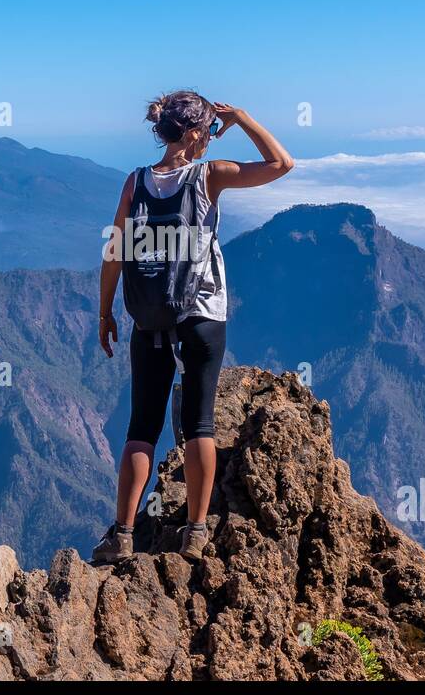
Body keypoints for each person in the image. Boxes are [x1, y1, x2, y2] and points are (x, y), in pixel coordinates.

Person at [93, 91, 294, 562]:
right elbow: (281, 163)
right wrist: (242, 117)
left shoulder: (135, 182)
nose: (212, 140)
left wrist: (105, 313)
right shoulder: (209, 176)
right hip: (202, 313)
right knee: (199, 422)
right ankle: (196, 532)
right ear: (195, 133)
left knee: (141, 427)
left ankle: (122, 534)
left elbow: (114, 252)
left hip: (150, 316)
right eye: (209, 131)